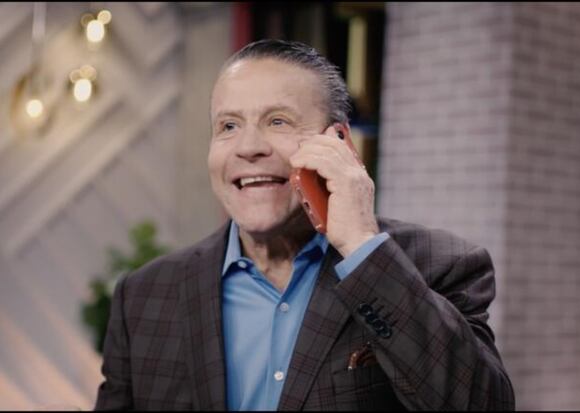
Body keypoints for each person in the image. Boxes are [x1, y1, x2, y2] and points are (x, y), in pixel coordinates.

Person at [94, 39, 515, 411]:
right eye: (228, 126)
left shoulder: (438, 265)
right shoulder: (143, 295)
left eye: (278, 121)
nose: (249, 147)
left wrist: (361, 246)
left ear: (339, 143)